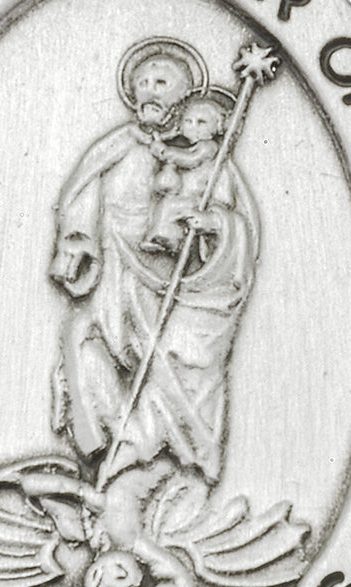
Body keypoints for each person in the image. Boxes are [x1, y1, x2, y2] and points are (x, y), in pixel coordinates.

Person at [48, 40, 259, 487]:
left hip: (175, 286)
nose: (149, 90)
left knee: (170, 365)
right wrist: (76, 242)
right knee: (86, 343)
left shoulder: (207, 159)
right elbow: (83, 188)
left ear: (185, 98)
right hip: (114, 275)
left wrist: (214, 227)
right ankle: (105, 443)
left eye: (161, 82)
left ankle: (165, 460)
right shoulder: (119, 144)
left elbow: (238, 225)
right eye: (142, 82)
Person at [142, 92, 232, 256]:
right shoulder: (194, 146)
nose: (193, 127)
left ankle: (171, 240)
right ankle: (166, 237)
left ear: (217, 126)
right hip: (183, 196)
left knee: (171, 207)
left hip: (197, 199)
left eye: (201, 122)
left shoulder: (208, 147)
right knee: (166, 206)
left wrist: (165, 152)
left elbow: (191, 159)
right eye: (188, 121)